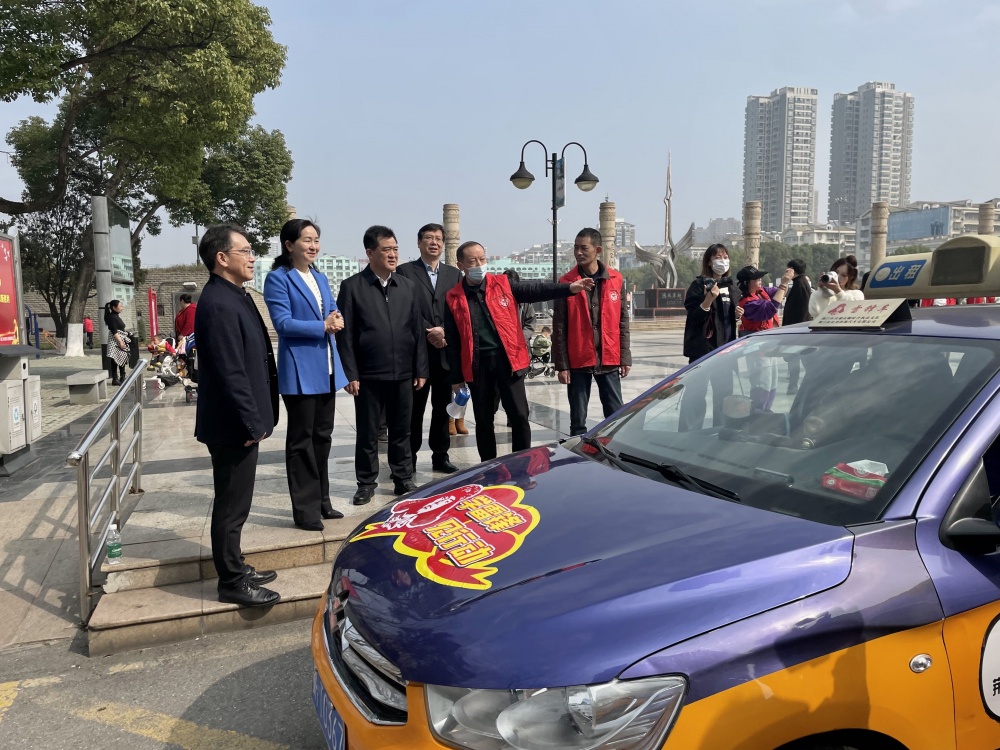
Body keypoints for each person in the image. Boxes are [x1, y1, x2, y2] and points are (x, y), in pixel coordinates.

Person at [444, 240, 594, 461]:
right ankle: (488, 466)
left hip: (509, 361)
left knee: (520, 416)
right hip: (478, 366)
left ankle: (521, 463)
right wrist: (456, 379)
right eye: (472, 261)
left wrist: (569, 288)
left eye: (482, 259)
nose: (479, 264)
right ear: (461, 265)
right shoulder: (454, 297)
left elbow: (536, 290)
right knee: (483, 420)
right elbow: (453, 340)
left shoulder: (503, 284)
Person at [194, 223, 280, 608]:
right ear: (222, 258)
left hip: (240, 421)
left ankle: (237, 565)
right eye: (244, 251)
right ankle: (231, 581)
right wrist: (251, 422)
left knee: (237, 502)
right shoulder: (218, 302)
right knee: (231, 504)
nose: (252, 258)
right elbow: (231, 371)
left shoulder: (234, 295)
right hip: (232, 425)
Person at [263, 219, 348, 531]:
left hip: (326, 367)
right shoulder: (278, 279)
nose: (313, 246)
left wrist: (336, 318)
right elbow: (283, 323)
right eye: (307, 240)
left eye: (316, 240)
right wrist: (323, 325)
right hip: (300, 370)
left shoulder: (320, 277)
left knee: (322, 438)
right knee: (302, 441)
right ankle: (305, 509)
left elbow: (333, 309)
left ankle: (323, 500)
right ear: (289, 245)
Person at [336, 225, 428, 506]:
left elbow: (417, 330)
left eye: (395, 249)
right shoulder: (353, 287)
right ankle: (365, 483)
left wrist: (420, 368)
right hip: (368, 374)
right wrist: (350, 373)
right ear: (370, 253)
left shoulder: (407, 286)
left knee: (402, 429)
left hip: (403, 372)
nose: (393, 254)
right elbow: (345, 335)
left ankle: (403, 477)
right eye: (386, 249)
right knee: (368, 431)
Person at [396, 222, 463, 475]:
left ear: (444, 244)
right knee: (413, 411)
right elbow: (404, 308)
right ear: (419, 242)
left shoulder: (454, 274)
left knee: (442, 409)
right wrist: (429, 330)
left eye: (438, 238)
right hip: (417, 353)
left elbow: (459, 310)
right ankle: (408, 458)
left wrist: (443, 330)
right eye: (428, 238)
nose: (434, 242)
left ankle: (440, 456)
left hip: (445, 352)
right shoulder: (404, 271)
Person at [552, 227, 632, 436]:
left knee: (615, 415)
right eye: (576, 247)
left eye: (584, 248)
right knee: (578, 419)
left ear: (597, 250)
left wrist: (625, 357)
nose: (578, 252)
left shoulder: (615, 279)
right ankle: (577, 452)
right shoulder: (566, 282)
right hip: (578, 358)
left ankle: (614, 448)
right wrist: (562, 365)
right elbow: (559, 326)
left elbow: (623, 321)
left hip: (609, 357)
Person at [678, 244, 740, 431]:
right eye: (718, 257)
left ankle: (721, 432)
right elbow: (694, 317)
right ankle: (689, 433)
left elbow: (727, 319)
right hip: (703, 349)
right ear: (709, 262)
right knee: (696, 394)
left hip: (726, 351)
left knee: (724, 395)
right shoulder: (699, 285)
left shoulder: (731, 287)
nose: (723, 260)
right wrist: (708, 300)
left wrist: (737, 314)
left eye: (725, 257)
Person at [736, 265, 794, 413]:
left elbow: (779, 293)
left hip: (769, 345)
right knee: (761, 382)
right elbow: (771, 309)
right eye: (756, 279)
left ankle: (766, 410)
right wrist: (784, 283)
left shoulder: (760, 292)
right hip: (757, 348)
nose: (760, 280)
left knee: (771, 381)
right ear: (747, 283)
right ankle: (757, 411)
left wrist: (786, 281)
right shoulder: (747, 302)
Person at [781, 259, 812, 395]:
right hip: (797, 329)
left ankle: (795, 385)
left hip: (797, 330)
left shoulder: (800, 284)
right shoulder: (800, 283)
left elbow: (803, 309)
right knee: (795, 359)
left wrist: (797, 328)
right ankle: (794, 385)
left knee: (799, 359)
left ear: (792, 269)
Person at [103, 300, 131, 385]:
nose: (122, 308)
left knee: (122, 358)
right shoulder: (111, 317)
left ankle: (122, 377)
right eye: (120, 306)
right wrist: (120, 342)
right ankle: (115, 379)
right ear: (114, 308)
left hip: (120, 339)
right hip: (115, 341)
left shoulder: (116, 316)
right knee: (115, 359)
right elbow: (114, 331)